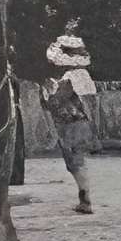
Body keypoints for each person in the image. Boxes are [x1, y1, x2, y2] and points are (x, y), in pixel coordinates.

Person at [46, 26, 101, 215]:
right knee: (79, 161)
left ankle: (85, 200)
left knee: (74, 162)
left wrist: (49, 91)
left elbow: (56, 101)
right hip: (84, 122)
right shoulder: (85, 77)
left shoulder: (68, 78)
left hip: (71, 124)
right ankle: (84, 198)